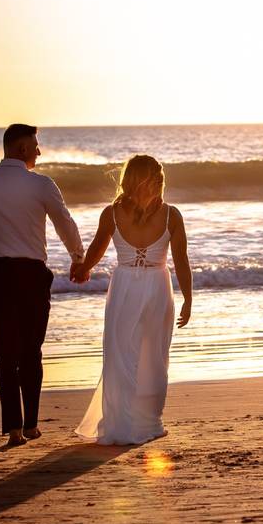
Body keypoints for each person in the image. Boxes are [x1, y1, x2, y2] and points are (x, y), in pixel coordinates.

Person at [0, 123, 84, 446]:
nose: (39, 151)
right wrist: (78, 257)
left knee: (4, 351)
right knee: (31, 350)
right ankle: (31, 424)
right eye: (35, 145)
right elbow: (65, 223)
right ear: (22, 149)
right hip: (31, 275)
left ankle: (14, 430)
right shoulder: (42, 185)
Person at [74, 155, 192, 445]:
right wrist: (188, 298)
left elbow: (96, 251)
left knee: (120, 353)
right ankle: (148, 422)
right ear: (154, 180)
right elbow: (181, 261)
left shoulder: (112, 213)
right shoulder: (171, 215)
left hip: (125, 285)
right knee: (154, 355)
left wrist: (82, 268)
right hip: (157, 288)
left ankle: (120, 422)